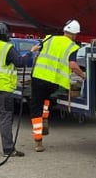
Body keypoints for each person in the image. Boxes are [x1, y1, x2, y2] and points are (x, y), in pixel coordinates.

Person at [28, 19, 86, 152]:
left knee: (36, 107)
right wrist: (84, 76)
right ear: (75, 34)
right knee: (47, 98)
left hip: (38, 77)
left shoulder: (50, 39)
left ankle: (38, 142)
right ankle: (45, 119)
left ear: (65, 30)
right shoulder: (72, 47)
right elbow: (72, 65)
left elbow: (34, 49)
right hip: (53, 81)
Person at [0, 22, 32, 158]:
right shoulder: (8, 48)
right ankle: (8, 149)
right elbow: (20, 62)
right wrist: (31, 53)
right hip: (2, 89)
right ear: (6, 33)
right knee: (5, 118)